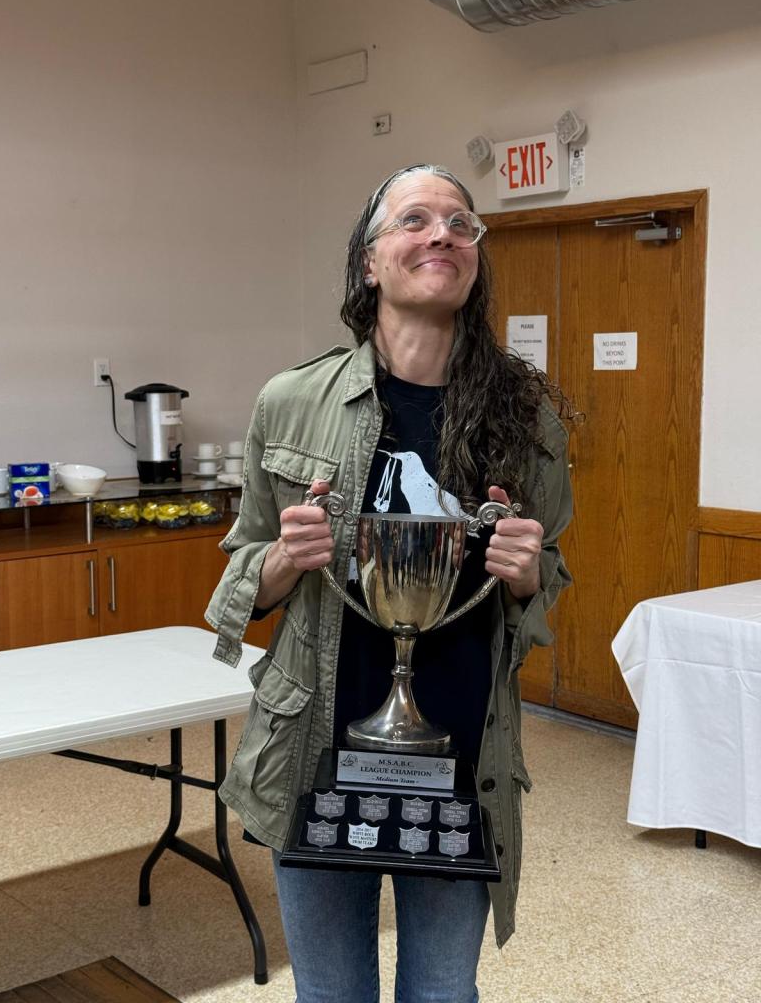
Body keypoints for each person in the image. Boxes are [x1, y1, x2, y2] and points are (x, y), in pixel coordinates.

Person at [206, 163, 573, 1003]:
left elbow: (547, 572)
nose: (442, 233)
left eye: (461, 223)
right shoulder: (291, 400)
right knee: (330, 995)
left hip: (460, 757)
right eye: (415, 219)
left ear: (475, 258)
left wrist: (526, 578)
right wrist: (282, 558)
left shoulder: (526, 418)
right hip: (315, 756)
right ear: (369, 262)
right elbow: (244, 571)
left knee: (443, 994)